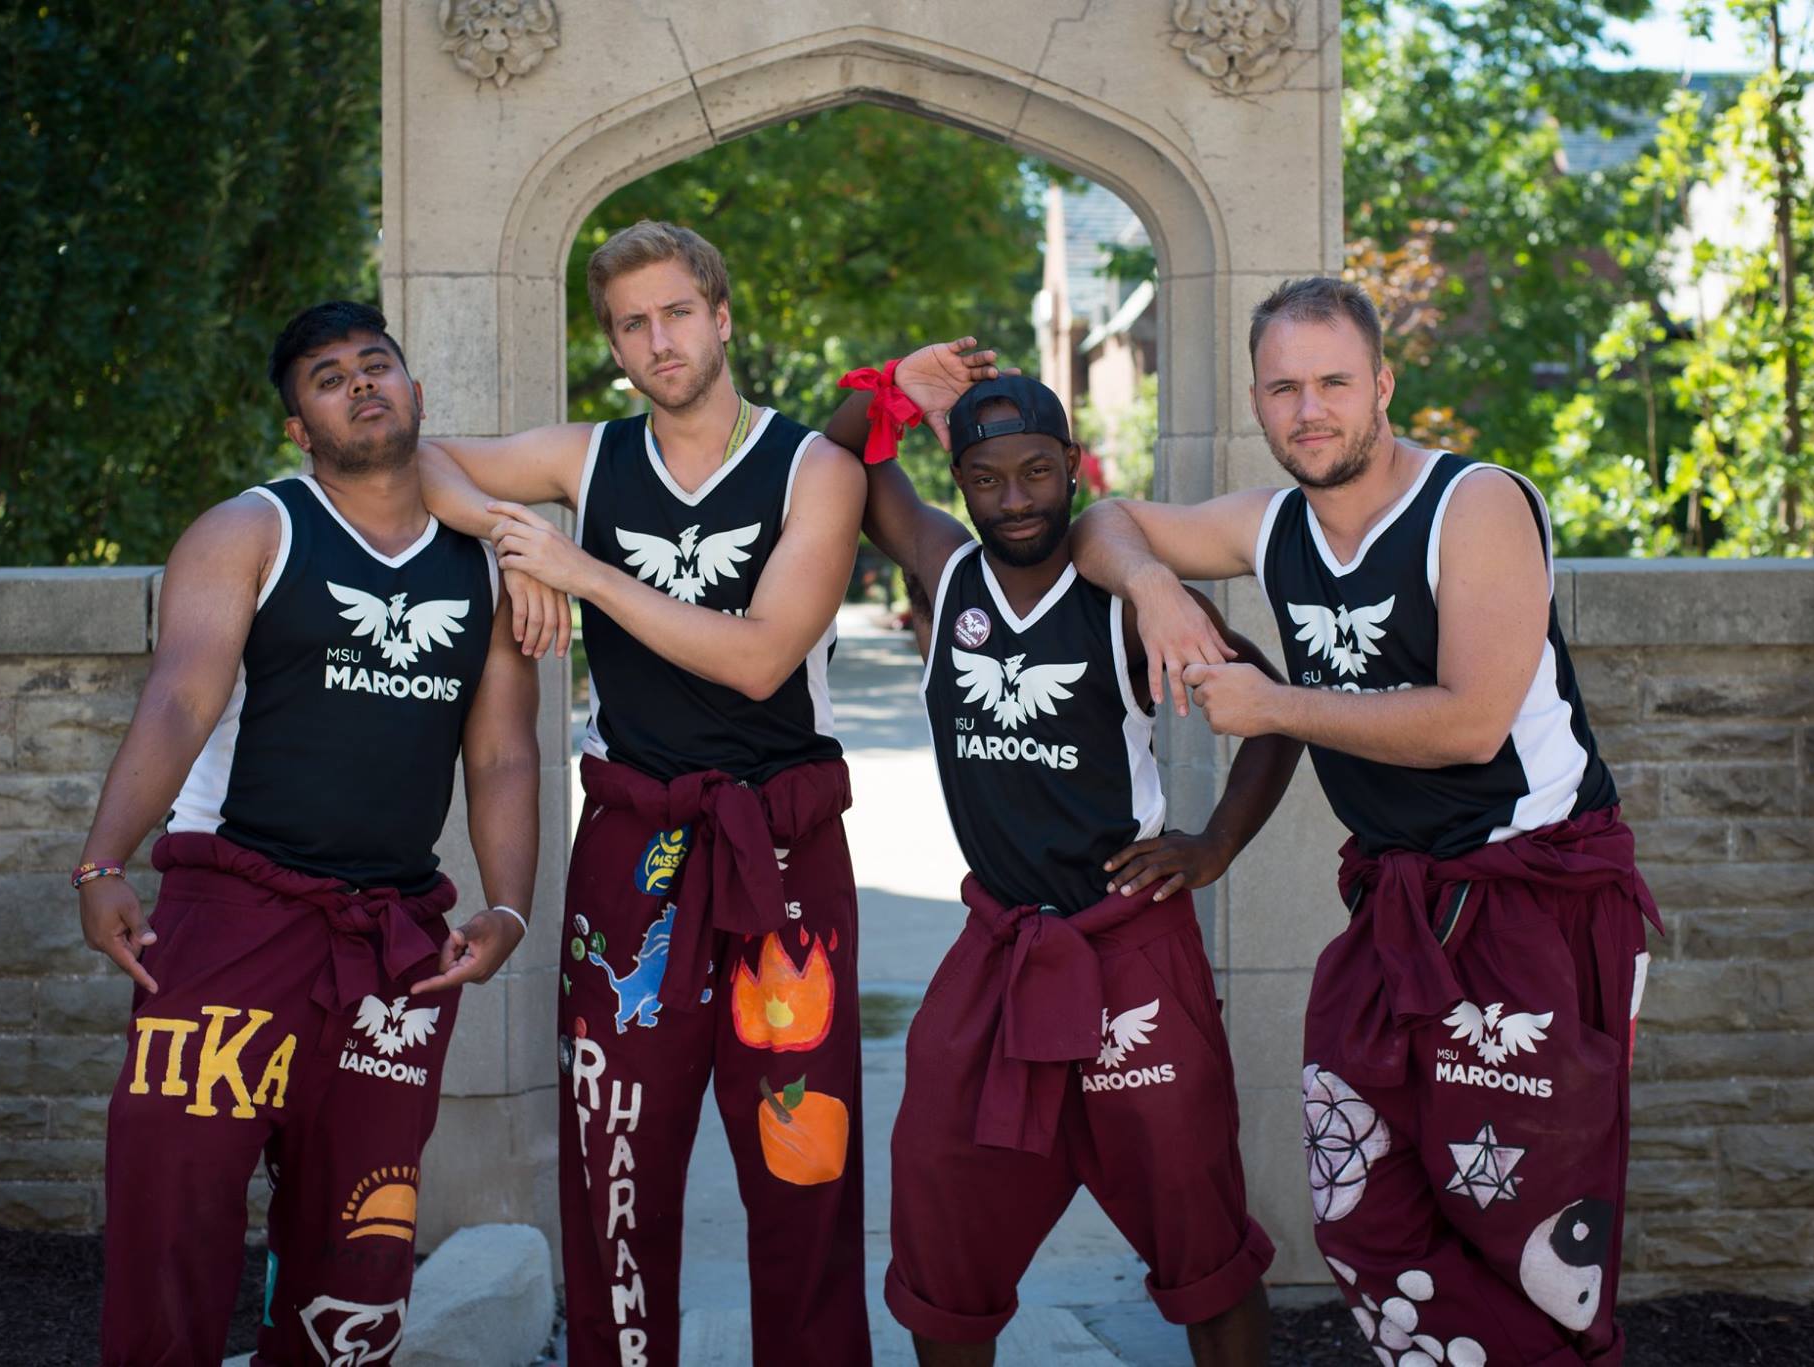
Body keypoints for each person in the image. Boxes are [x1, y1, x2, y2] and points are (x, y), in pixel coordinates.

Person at [415, 220, 999, 1367]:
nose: (657, 338)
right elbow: (424, 458)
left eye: (677, 311)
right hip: (633, 845)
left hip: (780, 842)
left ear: (722, 316)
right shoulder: (586, 459)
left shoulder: (813, 469)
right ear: (615, 346)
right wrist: (504, 544)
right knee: (613, 1161)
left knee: (802, 1161)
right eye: (632, 323)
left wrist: (576, 569)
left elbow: (759, 655)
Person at [1071, 276, 1661, 1366]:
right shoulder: (1271, 521)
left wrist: (1273, 704)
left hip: (1532, 892)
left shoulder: (1471, 502)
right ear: (1255, 399)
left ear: (1381, 384)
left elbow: (1472, 722)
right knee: (1356, 1208)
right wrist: (1153, 586)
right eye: (1284, 386)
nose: (1310, 408)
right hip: (1396, 901)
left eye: (1334, 381)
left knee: (1522, 1229)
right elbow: (1097, 520)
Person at [77, 301, 541, 1366]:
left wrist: (507, 903)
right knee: (172, 1201)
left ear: (415, 391)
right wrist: (102, 859)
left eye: (376, 365)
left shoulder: (482, 561)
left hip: (391, 936)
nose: (360, 384)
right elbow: (179, 701)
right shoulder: (252, 529)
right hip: (234, 909)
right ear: (300, 425)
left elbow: (503, 753)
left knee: (362, 1230)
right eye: (328, 377)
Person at [831, 373, 1294, 1366]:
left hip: (1126, 945)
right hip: (998, 948)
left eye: (1037, 471)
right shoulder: (943, 572)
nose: (1015, 498)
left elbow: (1272, 712)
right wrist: (890, 389)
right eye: (987, 477)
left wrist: (1212, 843)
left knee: (1199, 1239)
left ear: (1072, 463)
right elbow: (845, 461)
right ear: (955, 481)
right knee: (939, 1218)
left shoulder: (1123, 604)